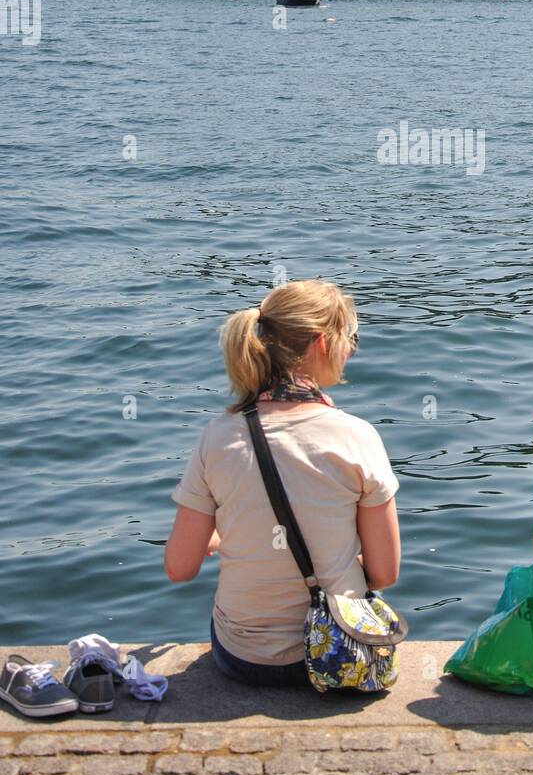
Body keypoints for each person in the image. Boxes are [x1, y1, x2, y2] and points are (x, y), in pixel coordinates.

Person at [164, 279, 401, 687]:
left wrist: (228, 538)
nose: (352, 350)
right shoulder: (356, 436)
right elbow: (384, 573)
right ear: (322, 344)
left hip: (243, 659)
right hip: (338, 649)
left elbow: (180, 568)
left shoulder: (218, 436)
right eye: (350, 338)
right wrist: (334, 565)